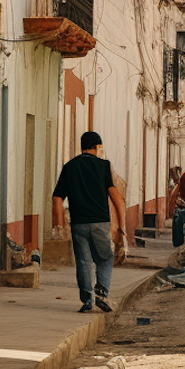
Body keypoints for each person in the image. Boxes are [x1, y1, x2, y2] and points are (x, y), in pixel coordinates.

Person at [51, 131, 125, 313]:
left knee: (83, 262)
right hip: (100, 222)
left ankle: (87, 301)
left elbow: (57, 198)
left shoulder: (69, 167)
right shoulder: (103, 166)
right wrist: (122, 224)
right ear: (98, 146)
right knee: (105, 258)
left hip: (78, 223)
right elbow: (115, 195)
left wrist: (59, 224)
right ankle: (101, 292)